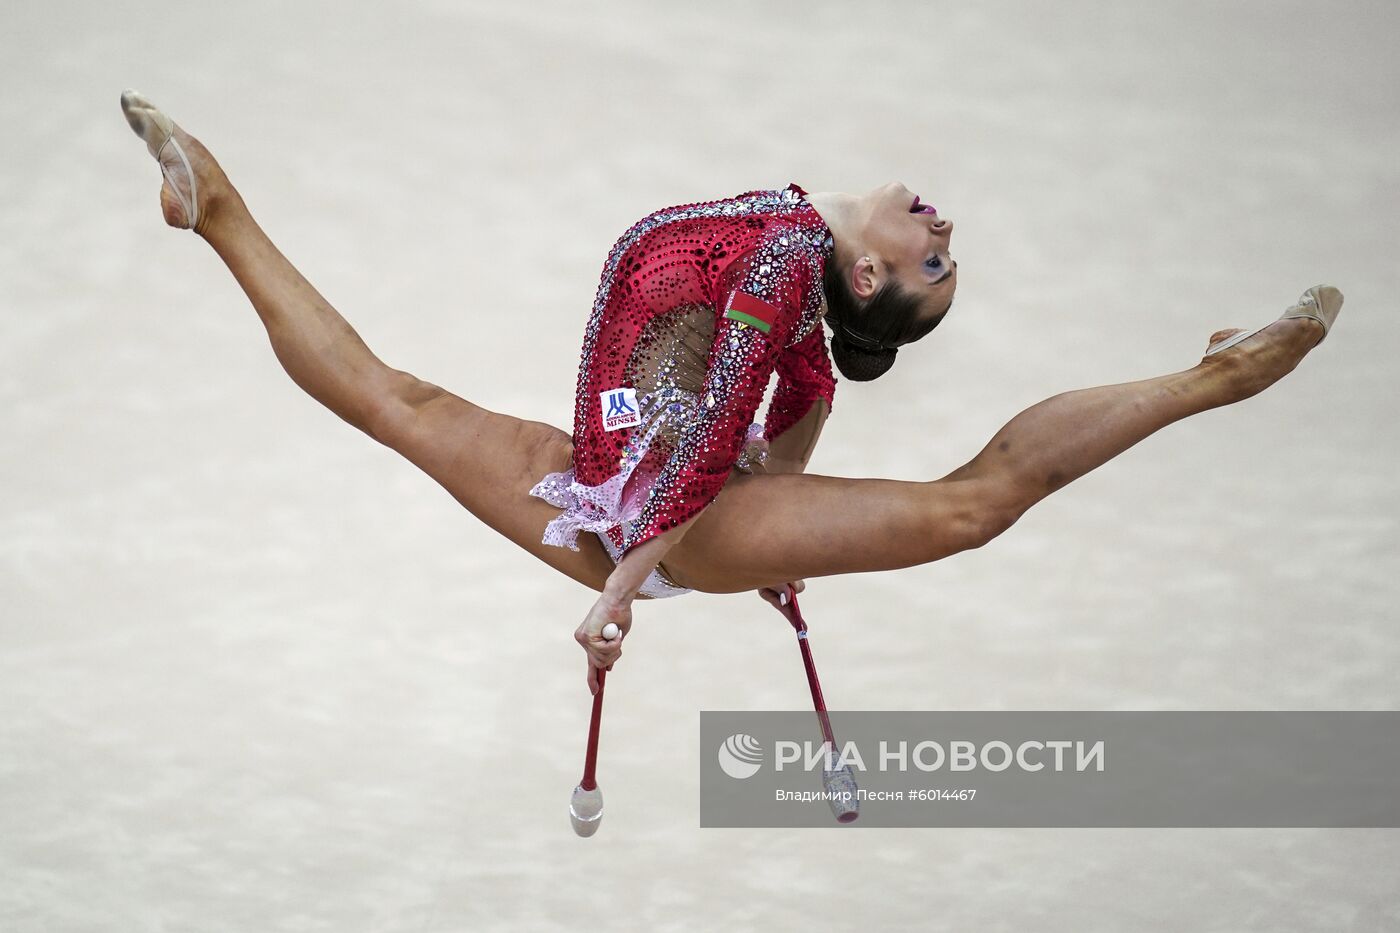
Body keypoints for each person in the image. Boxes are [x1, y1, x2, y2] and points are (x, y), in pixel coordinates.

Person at [120, 91, 1344, 694]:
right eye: (941, 253)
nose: (942, 225)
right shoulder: (794, 245)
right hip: (614, 475)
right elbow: (805, 380)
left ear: (863, 271)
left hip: (662, 502)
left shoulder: (774, 262)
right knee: (397, 400)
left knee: (968, 506)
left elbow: (719, 427)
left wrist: (620, 586)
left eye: (932, 259)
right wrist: (782, 509)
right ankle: (215, 208)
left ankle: (1217, 375)